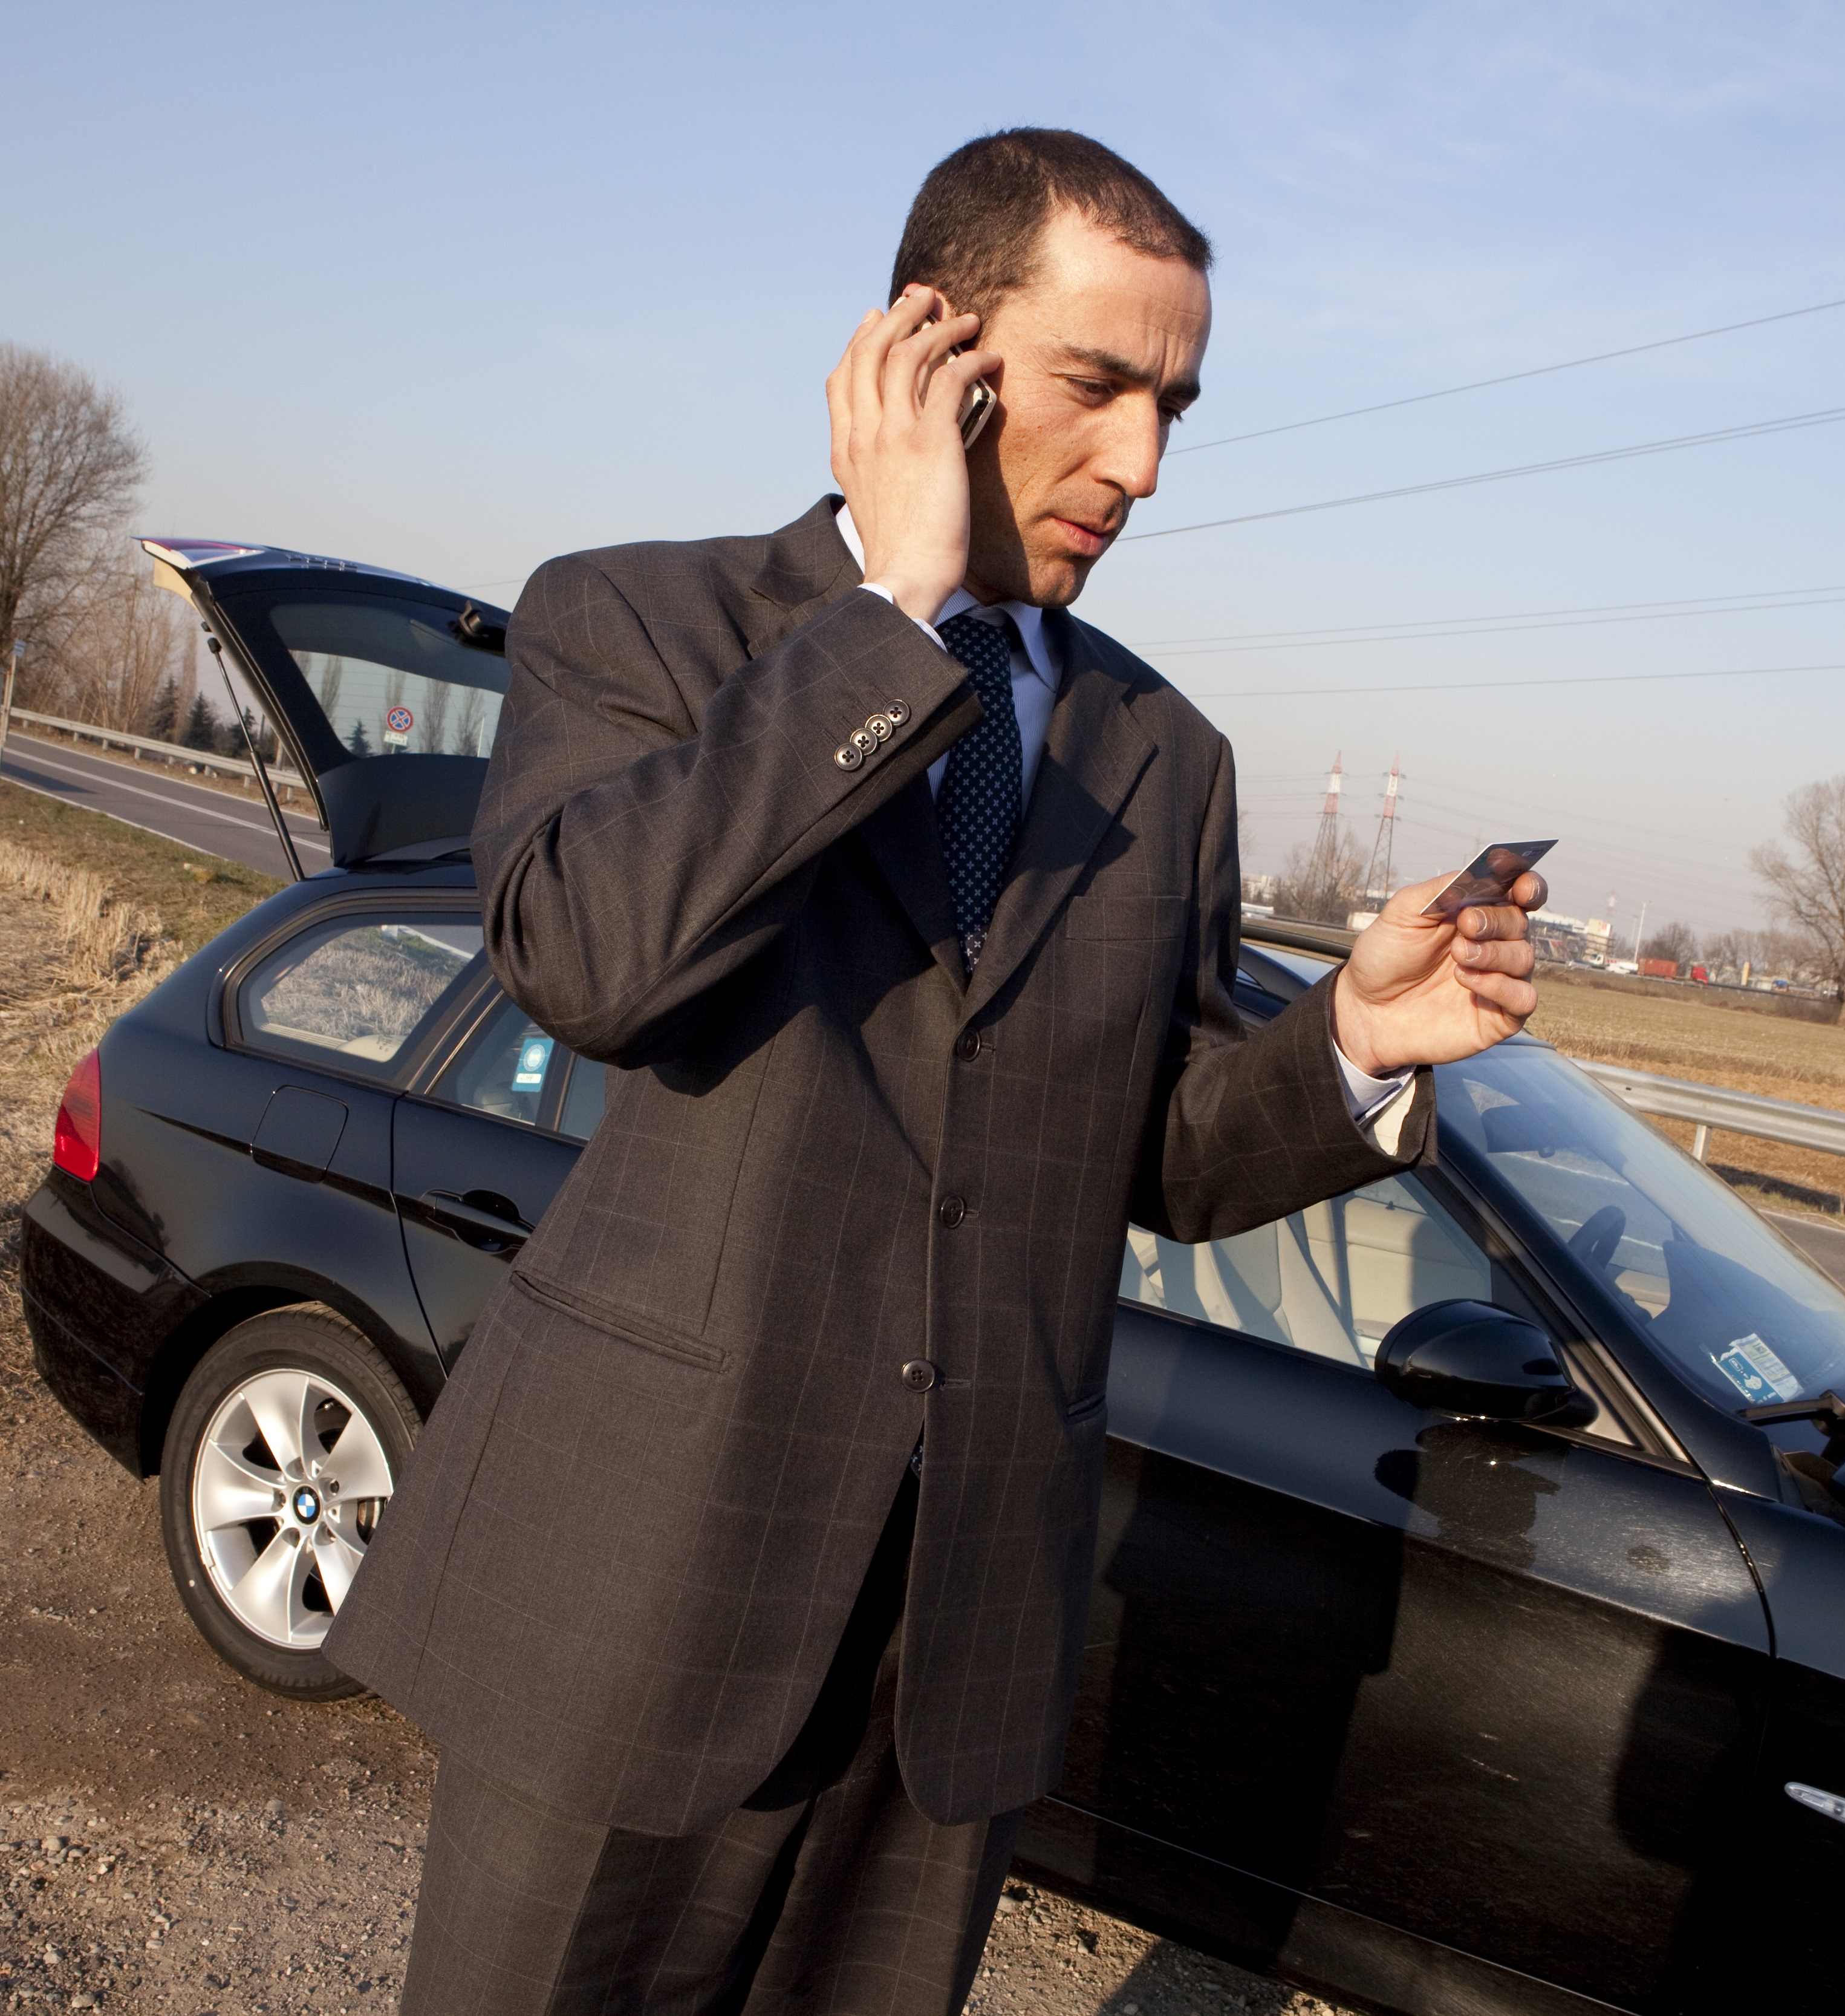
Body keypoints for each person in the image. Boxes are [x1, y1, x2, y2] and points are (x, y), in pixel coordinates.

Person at [328, 128, 1549, 2016]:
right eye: (1099, 385)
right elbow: (589, 959)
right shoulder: (644, 622)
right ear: (931, 356)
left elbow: (1156, 1158)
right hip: (642, 1590)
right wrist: (884, 623)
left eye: (1177, 406)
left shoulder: (1170, 758)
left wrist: (1352, 1046)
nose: (1142, 466)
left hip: (951, 1654)